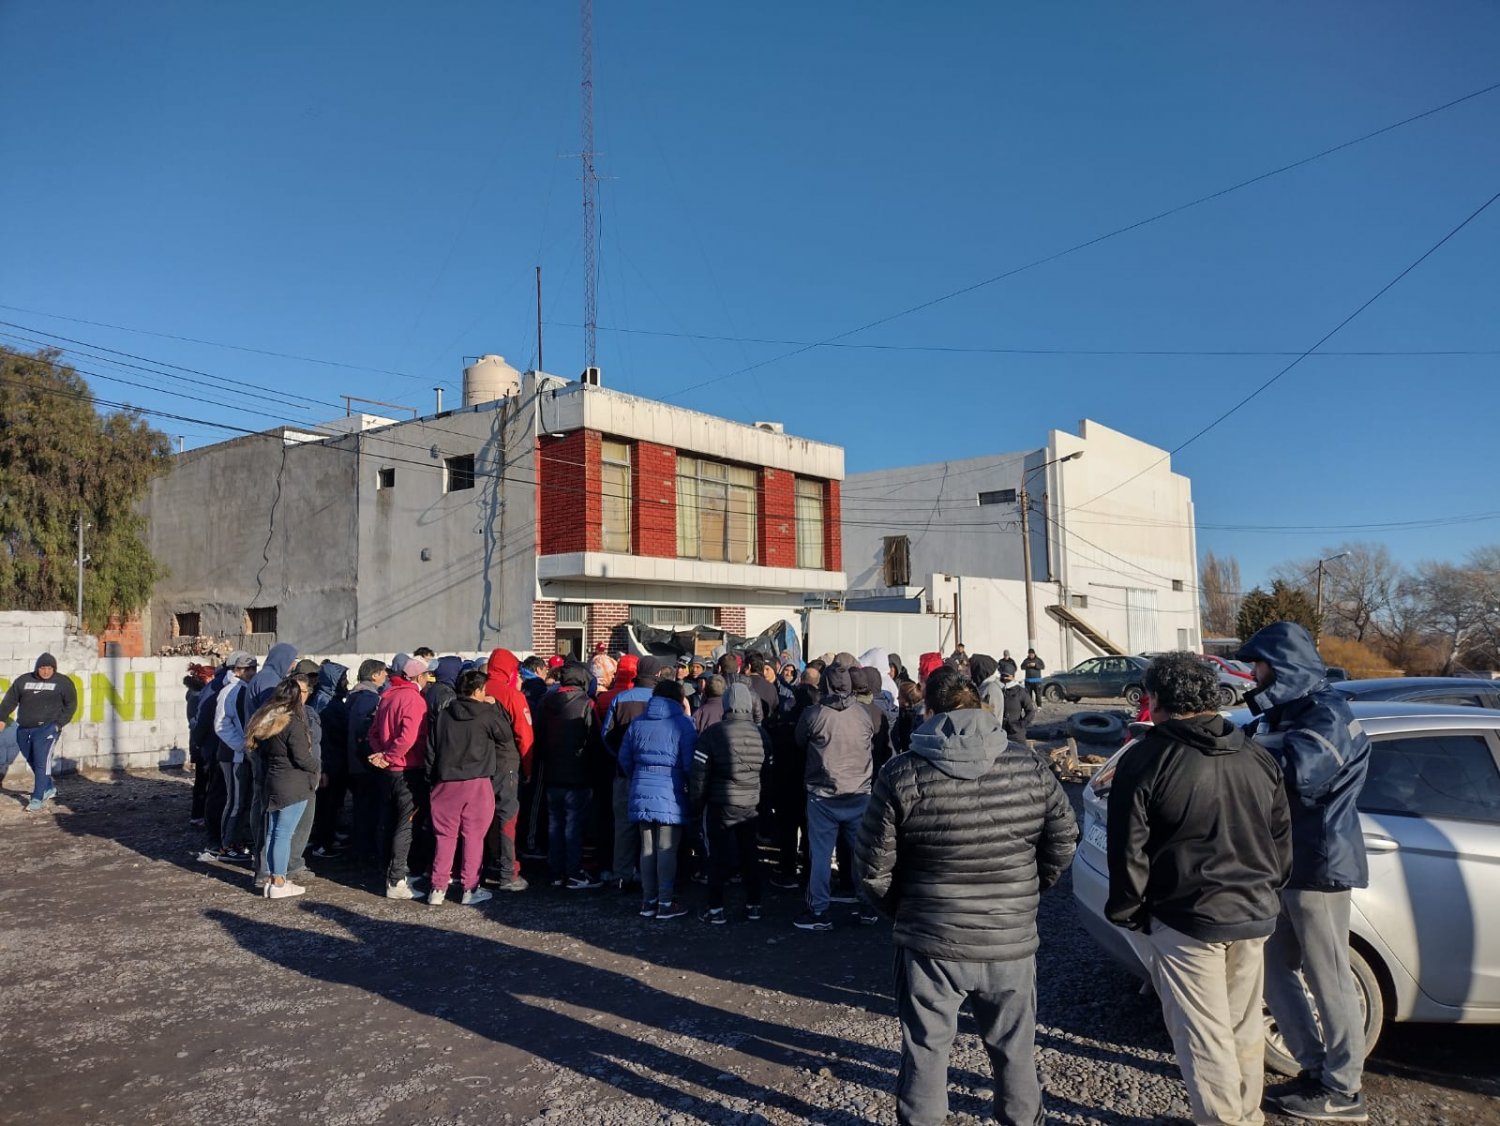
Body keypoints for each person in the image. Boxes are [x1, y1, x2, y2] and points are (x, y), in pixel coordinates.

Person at [856, 665, 1077, 1126]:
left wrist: (906, 912)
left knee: (926, 1049)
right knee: (1015, 1048)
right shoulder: (1028, 764)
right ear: (980, 705)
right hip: (1009, 937)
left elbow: (874, 868)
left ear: (929, 710)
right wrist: (1026, 893)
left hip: (931, 941)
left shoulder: (902, 772)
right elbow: (1063, 839)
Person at [1106, 651, 1291, 1126]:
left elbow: (1129, 850)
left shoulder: (1148, 759)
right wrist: (1267, 891)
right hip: (1253, 911)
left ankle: (1225, 1122)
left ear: (1158, 701)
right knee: (1241, 1026)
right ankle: (1246, 1116)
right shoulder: (1256, 754)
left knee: (1202, 1038)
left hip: (1187, 918)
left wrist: (1129, 911)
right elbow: (1281, 841)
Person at [1237, 622, 1372, 1123]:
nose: (1253, 674)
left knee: (1329, 976)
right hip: (1284, 864)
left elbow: (1299, 772)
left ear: (1285, 666)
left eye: (1260, 665)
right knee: (1274, 968)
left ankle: (1345, 1089)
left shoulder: (1328, 714)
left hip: (1319, 865)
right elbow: (1246, 748)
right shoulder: (1285, 712)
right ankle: (1314, 1069)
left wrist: (1245, 750)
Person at [792, 663, 877, 931]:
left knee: (820, 855)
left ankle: (819, 911)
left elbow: (799, 741)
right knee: (859, 855)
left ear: (825, 685)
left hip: (823, 794)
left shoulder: (814, 714)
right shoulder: (864, 715)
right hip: (859, 792)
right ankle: (867, 906)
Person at [426, 668, 509, 907]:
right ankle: (469, 888)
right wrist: (494, 707)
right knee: (474, 836)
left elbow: (432, 748)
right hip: (477, 781)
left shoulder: (443, 714)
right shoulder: (486, 713)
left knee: (444, 836)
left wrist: (432, 778)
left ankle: (438, 887)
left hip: (445, 781)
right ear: (478, 690)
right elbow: (504, 735)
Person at [690, 683, 770, 924]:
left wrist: (696, 806)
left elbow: (699, 775)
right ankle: (753, 905)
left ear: (726, 704)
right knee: (750, 855)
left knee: (718, 857)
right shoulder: (762, 735)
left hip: (720, 803)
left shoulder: (712, 734)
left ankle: (715, 909)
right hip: (751, 804)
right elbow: (769, 772)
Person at [619, 679, 698, 920]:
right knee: (666, 848)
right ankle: (665, 901)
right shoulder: (683, 724)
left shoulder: (638, 723)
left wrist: (637, 777)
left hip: (642, 786)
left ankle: (648, 900)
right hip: (670, 791)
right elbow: (689, 763)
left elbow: (624, 758)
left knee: (647, 848)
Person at [245, 677, 319, 899]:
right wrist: (316, 767)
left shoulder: (265, 719)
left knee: (272, 831)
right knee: (284, 833)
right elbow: (301, 757)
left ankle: (270, 878)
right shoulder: (292, 722)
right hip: (293, 783)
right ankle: (279, 881)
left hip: (273, 779)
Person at [537, 660, 606, 889]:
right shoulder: (587, 703)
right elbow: (595, 738)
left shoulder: (548, 700)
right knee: (573, 827)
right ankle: (574, 872)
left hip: (551, 772)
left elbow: (539, 734)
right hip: (578, 773)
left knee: (555, 825)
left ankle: (556, 872)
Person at [368, 656, 431, 900]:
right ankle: (396, 879)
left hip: (389, 769)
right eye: (426, 675)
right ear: (417, 677)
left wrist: (382, 754)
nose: (428, 680)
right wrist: (390, 756)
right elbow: (408, 737)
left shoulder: (388, 695)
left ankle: (390, 870)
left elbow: (373, 731)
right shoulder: (413, 699)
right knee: (406, 824)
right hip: (406, 768)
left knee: (390, 819)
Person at [602, 655, 667, 891]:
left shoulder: (621, 699)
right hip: (655, 777)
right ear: (658, 674)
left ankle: (621, 874)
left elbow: (606, 735)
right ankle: (651, 875)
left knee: (623, 826)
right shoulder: (664, 701)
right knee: (652, 828)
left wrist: (621, 759)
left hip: (623, 773)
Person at [480, 649, 536, 888]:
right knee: (507, 816)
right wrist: (528, 766)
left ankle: (487, 865)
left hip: (478, 763)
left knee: (483, 817)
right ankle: (508, 871)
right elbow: (525, 735)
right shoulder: (512, 694)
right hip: (506, 763)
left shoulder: (478, 689)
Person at [1, 651, 79, 813]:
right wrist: (1, 718)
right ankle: (48, 787)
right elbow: (10, 700)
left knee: (41, 761)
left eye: (49, 668)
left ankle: (37, 797)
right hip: (24, 728)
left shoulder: (63, 683)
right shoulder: (23, 681)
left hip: (48, 728)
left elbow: (71, 704)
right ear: (37, 668)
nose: (46, 671)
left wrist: (58, 724)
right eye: (42, 668)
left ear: (54, 669)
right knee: (32, 759)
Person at [209, 651, 258, 861]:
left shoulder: (244, 690)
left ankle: (237, 841)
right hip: (233, 755)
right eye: (247, 669)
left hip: (241, 754)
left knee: (244, 800)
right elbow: (221, 725)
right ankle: (227, 845)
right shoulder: (230, 691)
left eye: (253, 668)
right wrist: (241, 746)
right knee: (235, 801)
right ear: (237, 671)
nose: (252, 672)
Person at [344, 658, 388, 869]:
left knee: (361, 808)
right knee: (367, 809)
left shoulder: (354, 696)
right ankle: (364, 851)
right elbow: (365, 733)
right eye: (383, 672)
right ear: (374, 675)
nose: (386, 676)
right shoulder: (368, 699)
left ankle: (360, 849)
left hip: (354, 762)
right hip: (365, 764)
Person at [997, 667, 1037, 747]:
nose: (1004, 678)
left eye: (1007, 676)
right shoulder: (997, 690)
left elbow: (1031, 711)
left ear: (1013, 677)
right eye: (1002, 675)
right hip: (999, 733)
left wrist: (1019, 725)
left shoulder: (1020, 691)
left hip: (1016, 734)